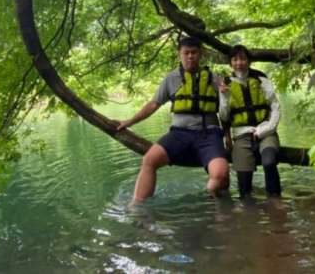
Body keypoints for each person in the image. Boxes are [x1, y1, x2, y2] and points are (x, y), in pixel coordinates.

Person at [116, 36, 230, 203]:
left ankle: (215, 201)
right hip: (179, 134)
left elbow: (225, 111)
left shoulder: (214, 79)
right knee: (149, 160)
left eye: (194, 52)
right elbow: (153, 105)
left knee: (220, 174)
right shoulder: (171, 79)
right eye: (186, 53)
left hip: (209, 134)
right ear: (180, 54)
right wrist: (129, 122)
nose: (190, 56)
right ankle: (137, 206)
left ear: (201, 54)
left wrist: (227, 135)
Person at [219, 45, 282, 198]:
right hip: (241, 134)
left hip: (265, 130)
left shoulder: (261, 79)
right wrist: (225, 98)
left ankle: (275, 200)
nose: (239, 63)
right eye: (235, 59)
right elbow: (224, 116)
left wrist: (266, 129)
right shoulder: (226, 83)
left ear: (249, 61)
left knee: (269, 162)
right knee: (244, 186)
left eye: (242, 59)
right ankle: (248, 209)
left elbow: (275, 107)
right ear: (230, 63)